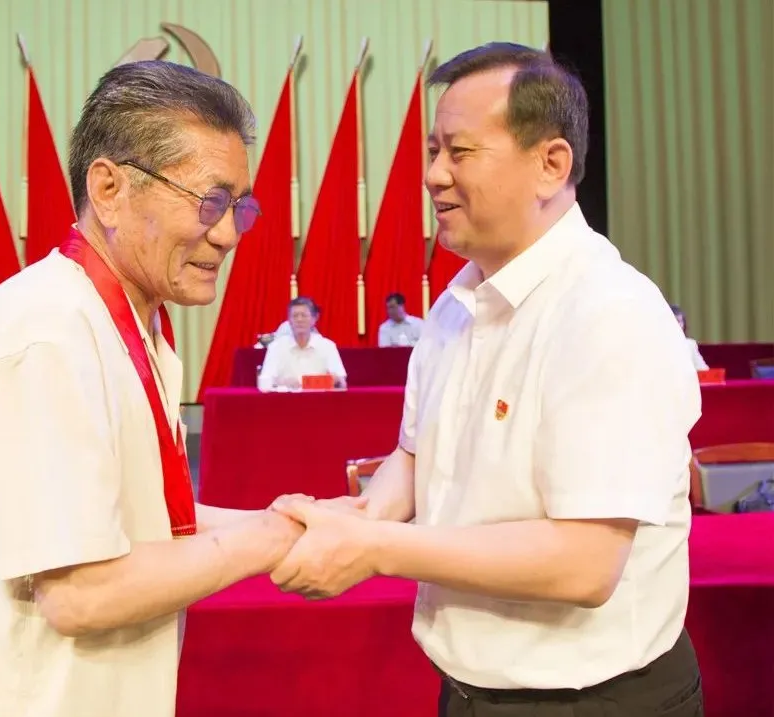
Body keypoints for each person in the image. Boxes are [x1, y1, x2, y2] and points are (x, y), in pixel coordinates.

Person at [271, 43, 704, 717]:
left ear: (550, 164)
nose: (434, 176)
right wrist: (349, 518)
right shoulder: (454, 306)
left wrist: (377, 547)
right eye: (433, 151)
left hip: (591, 701)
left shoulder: (607, 311)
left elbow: (585, 562)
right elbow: (417, 456)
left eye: (461, 152)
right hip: (468, 690)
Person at [0, 61, 304, 717]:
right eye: (210, 202)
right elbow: (82, 592)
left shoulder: (124, 321)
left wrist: (289, 521)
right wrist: (270, 541)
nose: (228, 234)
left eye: (239, 207)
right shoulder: (48, 328)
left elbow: (141, 516)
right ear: (108, 189)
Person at [258, 297, 346, 390]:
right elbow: (264, 382)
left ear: (314, 319)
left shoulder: (327, 346)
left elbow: (341, 382)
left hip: (319, 398)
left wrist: (305, 383)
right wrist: (281, 382)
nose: (299, 319)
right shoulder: (276, 347)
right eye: (295, 316)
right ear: (289, 320)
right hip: (286, 398)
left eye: (304, 315)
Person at [670, 304, 708, 370]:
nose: (677, 325)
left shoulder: (690, 344)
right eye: (674, 321)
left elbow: (703, 369)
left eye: (679, 321)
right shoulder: (658, 344)